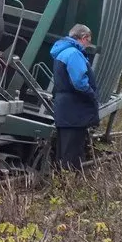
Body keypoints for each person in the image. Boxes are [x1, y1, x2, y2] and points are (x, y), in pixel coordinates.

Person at [49, 24, 101, 170]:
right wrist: (91, 94)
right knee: (73, 152)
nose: (87, 45)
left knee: (64, 150)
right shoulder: (73, 54)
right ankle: (70, 185)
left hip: (65, 109)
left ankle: (62, 185)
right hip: (75, 111)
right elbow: (79, 82)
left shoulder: (63, 52)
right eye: (88, 41)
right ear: (83, 38)